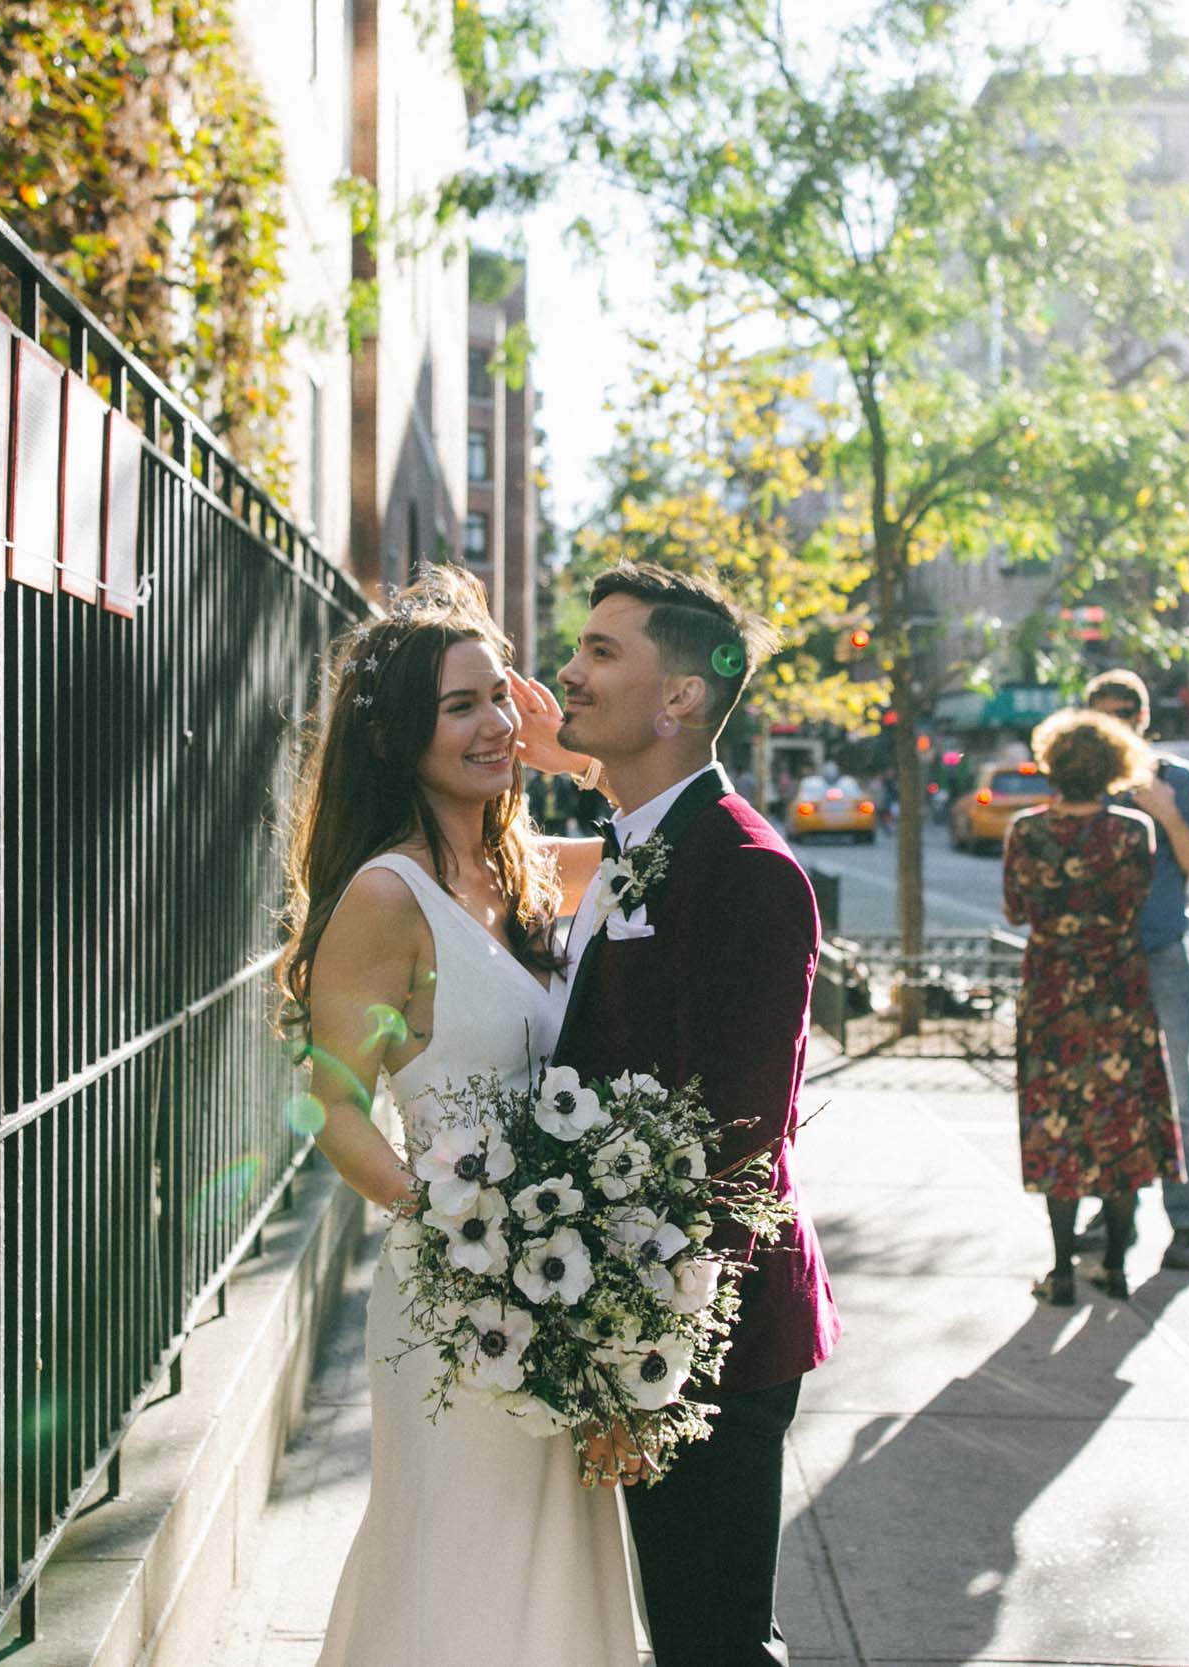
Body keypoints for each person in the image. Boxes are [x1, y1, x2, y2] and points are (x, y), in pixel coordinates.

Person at [278, 566, 635, 1665]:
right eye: (460, 704)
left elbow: (663, 856)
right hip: (455, 1296)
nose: (494, 722)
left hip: (559, 1287)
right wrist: (443, 1219)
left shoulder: (525, 865)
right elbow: (327, 1102)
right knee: (461, 1570)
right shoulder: (387, 896)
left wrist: (575, 760)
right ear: (399, 733)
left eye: (501, 693)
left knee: (550, 1574)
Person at [538, 560, 842, 1667]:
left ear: (679, 698)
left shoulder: (745, 868)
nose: (567, 670)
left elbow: (734, 1147)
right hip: (630, 1312)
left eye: (600, 652)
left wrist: (644, 1357)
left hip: (705, 1332)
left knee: (713, 1643)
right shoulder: (639, 836)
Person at [1002, 708, 1184, 1304]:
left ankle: (1059, 1272)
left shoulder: (1026, 832)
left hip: (1052, 994)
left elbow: (1015, 910)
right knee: (1120, 1129)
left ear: (1051, 765)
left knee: (1058, 1129)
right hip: (1119, 994)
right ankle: (1114, 1266)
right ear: (1114, 767)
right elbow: (1137, 901)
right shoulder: (1136, 833)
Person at [1085, 670, 1189, 1270]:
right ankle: (1113, 1216)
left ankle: (1188, 1221)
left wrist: (1165, 811)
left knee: (1174, 1098)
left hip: (1163, 955)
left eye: (1126, 714)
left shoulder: (1175, 777)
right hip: (1099, 963)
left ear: (1144, 719)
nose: (1118, 725)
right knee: (1105, 1096)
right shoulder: (1083, 782)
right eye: (1104, 715)